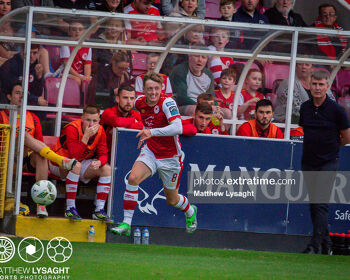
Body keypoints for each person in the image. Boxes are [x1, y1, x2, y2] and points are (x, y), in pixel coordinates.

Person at [110, 72, 197, 236]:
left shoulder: (167, 102)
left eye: (157, 88)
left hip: (170, 158)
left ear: (161, 88)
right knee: (133, 178)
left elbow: (178, 127)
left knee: (172, 199)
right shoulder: (140, 102)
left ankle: (190, 210)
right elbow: (125, 104)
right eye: (150, 88)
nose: (153, 92)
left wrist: (151, 132)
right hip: (150, 151)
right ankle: (126, 223)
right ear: (144, 89)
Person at [0, 81, 77, 217]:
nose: (21, 97)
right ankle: (59, 160)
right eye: (17, 93)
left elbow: (39, 144)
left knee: (41, 156)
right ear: (9, 96)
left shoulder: (33, 117)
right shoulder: (2, 115)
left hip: (24, 160)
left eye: (23, 94)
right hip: (6, 159)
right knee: (23, 136)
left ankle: (41, 204)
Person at [299, 70, 350, 254]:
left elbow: (346, 137)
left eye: (321, 84)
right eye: (314, 84)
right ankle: (327, 243)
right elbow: (305, 129)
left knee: (320, 203)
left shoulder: (337, 110)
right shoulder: (305, 108)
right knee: (314, 204)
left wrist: (332, 149)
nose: (317, 88)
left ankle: (313, 246)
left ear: (328, 86)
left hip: (328, 161)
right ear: (309, 85)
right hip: (308, 161)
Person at [50, 105, 113, 222]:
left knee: (106, 169)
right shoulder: (72, 128)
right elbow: (75, 155)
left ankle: (99, 210)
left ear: (99, 121)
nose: (91, 124)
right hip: (58, 162)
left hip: (79, 162)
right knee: (76, 164)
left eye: (95, 121)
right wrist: (85, 137)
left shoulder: (100, 130)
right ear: (82, 118)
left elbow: (104, 154)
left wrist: (100, 162)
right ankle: (70, 208)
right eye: (88, 120)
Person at [170, 46, 214, 116]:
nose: (200, 60)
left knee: (227, 113)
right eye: (196, 56)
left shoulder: (208, 74)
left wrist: (216, 107)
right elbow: (181, 98)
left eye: (203, 57)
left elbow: (211, 96)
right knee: (194, 110)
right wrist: (202, 107)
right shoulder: (179, 71)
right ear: (190, 56)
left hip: (205, 106)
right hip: (182, 106)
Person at [100, 84, 143, 154]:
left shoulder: (136, 115)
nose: (129, 102)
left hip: (128, 153)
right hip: (106, 156)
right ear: (117, 99)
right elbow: (117, 122)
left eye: (132, 98)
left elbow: (143, 126)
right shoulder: (107, 112)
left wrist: (119, 129)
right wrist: (133, 121)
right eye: (125, 98)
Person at [60, 19, 92, 87]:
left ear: (84, 32)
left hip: (80, 75)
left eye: (80, 29)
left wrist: (87, 77)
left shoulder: (88, 47)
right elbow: (67, 66)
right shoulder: (66, 45)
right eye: (74, 29)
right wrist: (81, 78)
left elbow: (87, 65)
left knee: (91, 82)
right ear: (69, 32)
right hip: (66, 73)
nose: (77, 31)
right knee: (77, 80)